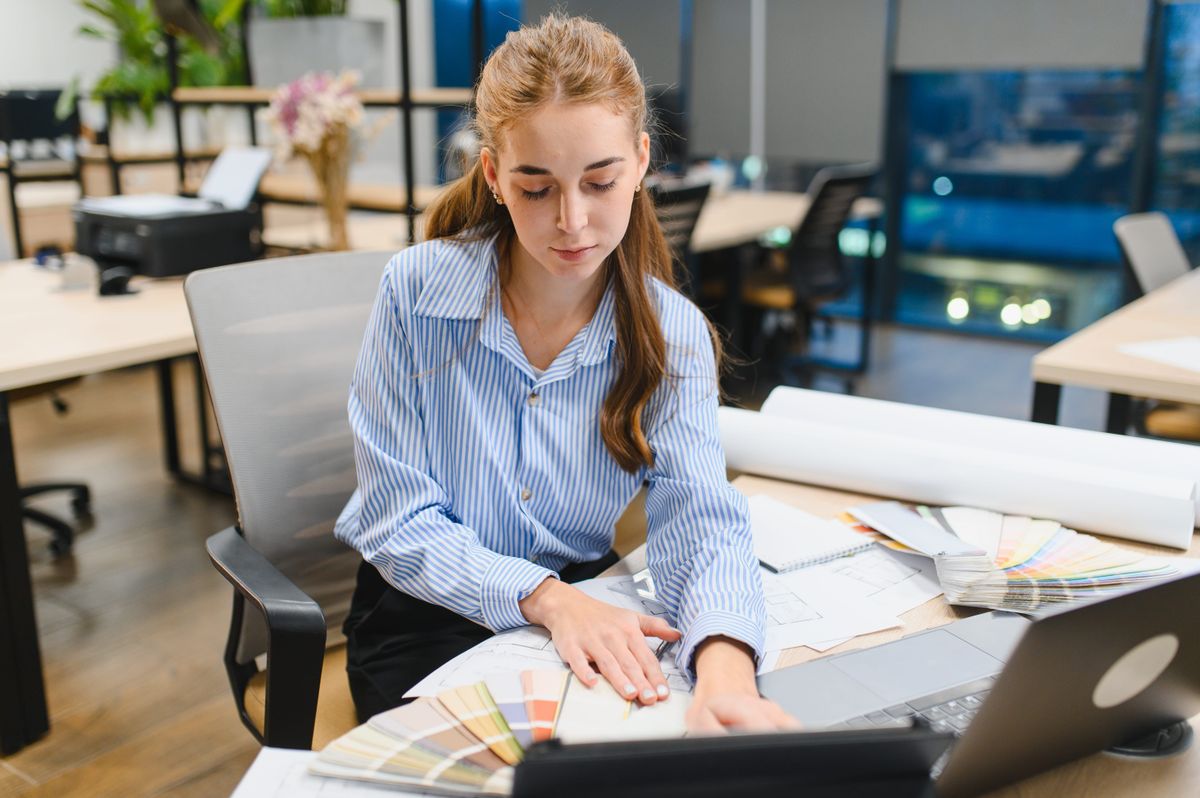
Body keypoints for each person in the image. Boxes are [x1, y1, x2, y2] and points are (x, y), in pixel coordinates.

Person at [334, 13, 795, 734]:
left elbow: (701, 521)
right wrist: (547, 600)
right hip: (426, 614)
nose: (573, 221)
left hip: (586, 601)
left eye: (600, 181)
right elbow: (397, 520)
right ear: (493, 175)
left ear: (641, 163)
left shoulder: (672, 333)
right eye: (537, 187)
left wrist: (727, 669)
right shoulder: (415, 292)